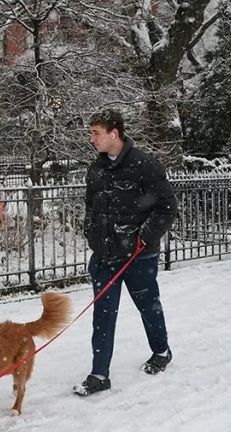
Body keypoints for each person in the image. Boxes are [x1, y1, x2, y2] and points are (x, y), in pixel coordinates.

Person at [73, 109, 178, 396]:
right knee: (103, 315)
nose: (91, 138)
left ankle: (161, 351)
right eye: (91, 132)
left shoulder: (144, 165)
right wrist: (91, 232)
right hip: (105, 256)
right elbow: (91, 206)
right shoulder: (95, 169)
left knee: (148, 307)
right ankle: (99, 374)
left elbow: (167, 208)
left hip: (138, 257)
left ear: (113, 133)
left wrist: (142, 239)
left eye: (96, 133)